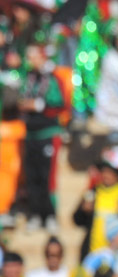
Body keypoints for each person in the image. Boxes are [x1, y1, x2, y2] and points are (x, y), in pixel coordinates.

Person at [19, 42, 64, 232]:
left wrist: (37, 105)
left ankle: (50, 215)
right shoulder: (27, 77)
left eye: (34, 56)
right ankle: (36, 214)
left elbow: (59, 102)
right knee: (32, 175)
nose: (31, 61)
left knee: (47, 176)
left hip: (47, 133)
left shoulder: (52, 77)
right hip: (30, 134)